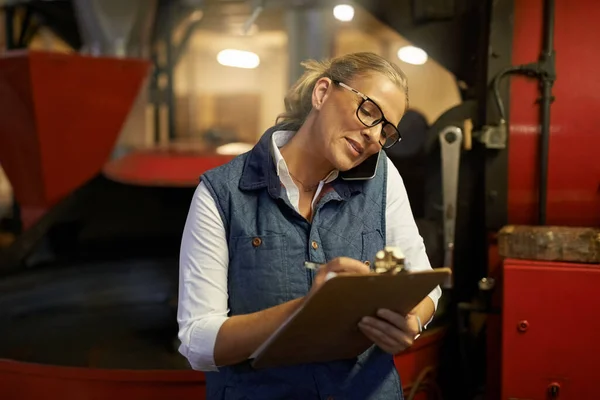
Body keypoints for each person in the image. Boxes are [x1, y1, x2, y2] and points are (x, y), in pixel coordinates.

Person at [177, 51, 442, 400]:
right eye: (369, 111)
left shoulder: (383, 177)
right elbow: (197, 342)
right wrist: (308, 310)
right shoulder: (221, 193)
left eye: (386, 130)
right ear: (322, 93)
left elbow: (425, 283)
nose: (374, 136)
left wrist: (413, 323)